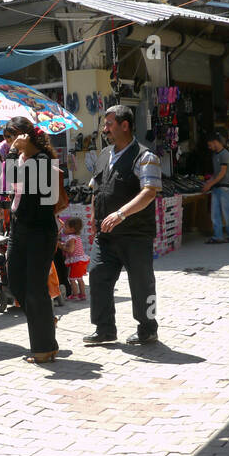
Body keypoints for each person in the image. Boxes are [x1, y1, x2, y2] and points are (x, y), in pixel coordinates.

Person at [83, 104, 161, 346]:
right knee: (97, 275)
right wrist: (95, 220)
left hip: (135, 233)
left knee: (141, 282)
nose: (104, 129)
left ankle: (147, 329)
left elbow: (150, 192)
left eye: (108, 124)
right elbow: (97, 188)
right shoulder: (104, 154)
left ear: (124, 125)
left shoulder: (146, 156)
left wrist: (121, 214)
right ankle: (105, 329)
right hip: (106, 235)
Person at [2, 117, 60, 361]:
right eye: (6, 140)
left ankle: (44, 348)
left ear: (26, 136)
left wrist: (15, 153)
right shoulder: (22, 159)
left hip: (39, 231)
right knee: (15, 281)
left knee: (35, 289)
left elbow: (32, 191)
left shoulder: (44, 161)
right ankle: (46, 321)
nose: (8, 144)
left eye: (12, 138)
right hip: (19, 227)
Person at [201, 129, 229, 244]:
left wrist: (209, 184)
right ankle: (218, 236)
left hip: (225, 188)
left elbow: (222, 173)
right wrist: (209, 183)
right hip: (217, 188)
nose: (209, 147)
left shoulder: (225, 154)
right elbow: (216, 173)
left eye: (209, 144)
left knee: (227, 213)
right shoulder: (215, 155)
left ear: (214, 142)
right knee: (215, 213)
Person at [61, 217, 89, 300]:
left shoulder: (71, 238)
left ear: (72, 229)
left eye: (65, 226)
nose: (63, 228)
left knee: (72, 279)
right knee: (80, 279)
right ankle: (83, 295)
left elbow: (70, 250)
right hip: (81, 261)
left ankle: (75, 295)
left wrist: (61, 246)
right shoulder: (76, 236)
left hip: (76, 262)